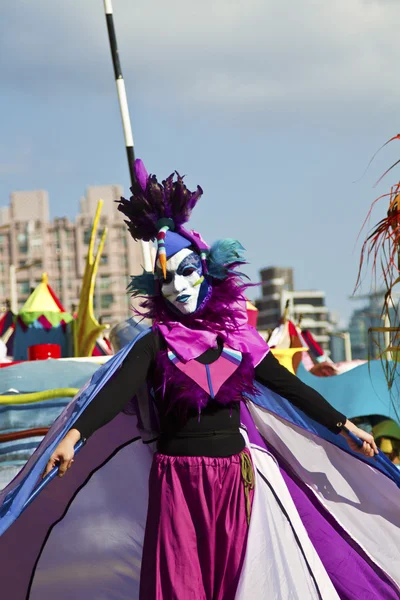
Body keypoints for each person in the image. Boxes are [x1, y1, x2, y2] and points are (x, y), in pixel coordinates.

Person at [1, 160, 399, 600]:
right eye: (167, 279)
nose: (179, 287)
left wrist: (344, 426)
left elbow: (292, 388)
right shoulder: (154, 344)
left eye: (188, 271)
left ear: (207, 271)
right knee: (181, 585)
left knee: (238, 582)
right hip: (178, 481)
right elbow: (114, 393)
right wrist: (73, 435)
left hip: (236, 480)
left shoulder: (239, 340)